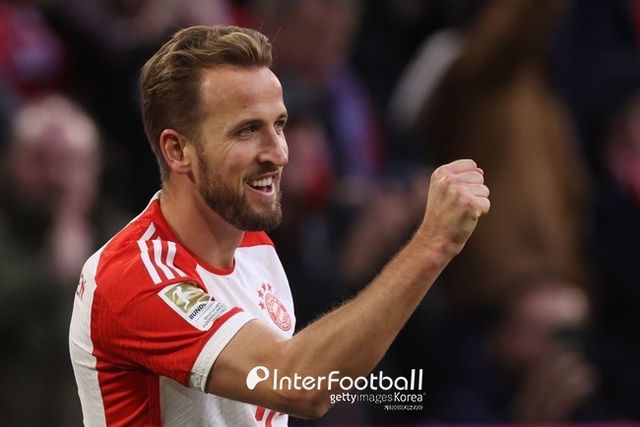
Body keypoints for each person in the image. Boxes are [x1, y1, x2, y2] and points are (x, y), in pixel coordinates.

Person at [68, 25, 490, 426]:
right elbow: (297, 384)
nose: (279, 153)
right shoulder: (134, 278)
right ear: (178, 151)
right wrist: (432, 244)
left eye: (280, 125)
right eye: (247, 130)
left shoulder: (253, 242)